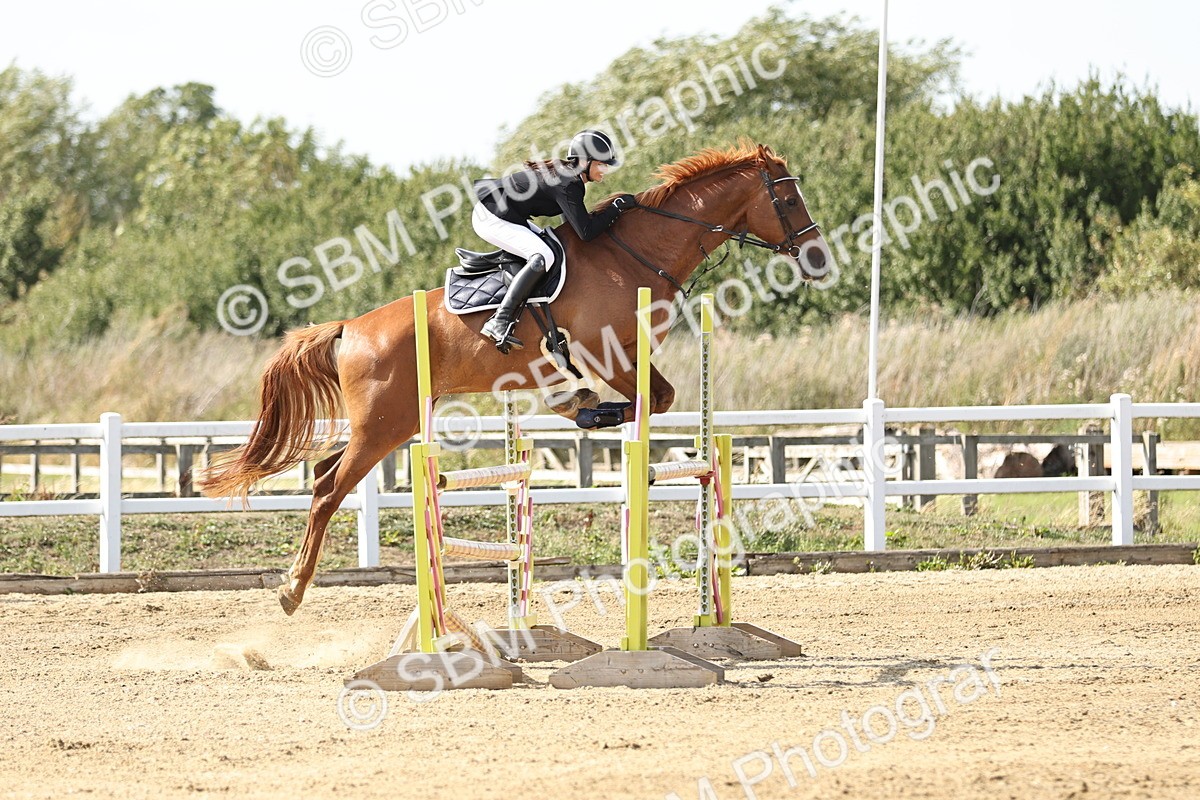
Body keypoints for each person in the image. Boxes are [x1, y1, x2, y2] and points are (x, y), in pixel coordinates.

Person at [472, 129, 637, 351]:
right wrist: (615, 208)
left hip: (509, 215)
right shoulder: (569, 183)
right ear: (585, 161)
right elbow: (585, 232)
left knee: (550, 248)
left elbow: (572, 226)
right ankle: (498, 321)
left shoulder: (570, 178)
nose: (605, 169)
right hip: (492, 216)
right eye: (602, 164)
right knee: (542, 257)